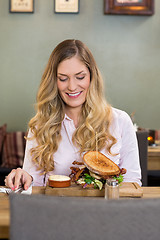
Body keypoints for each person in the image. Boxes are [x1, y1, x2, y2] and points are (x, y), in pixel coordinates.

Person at [5, 39, 141, 190]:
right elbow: (33, 186)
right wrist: (23, 177)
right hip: (56, 211)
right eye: (63, 79)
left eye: (80, 77)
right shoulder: (40, 126)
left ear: (91, 76)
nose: (72, 86)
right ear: (54, 81)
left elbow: (132, 182)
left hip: (105, 211)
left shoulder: (119, 121)